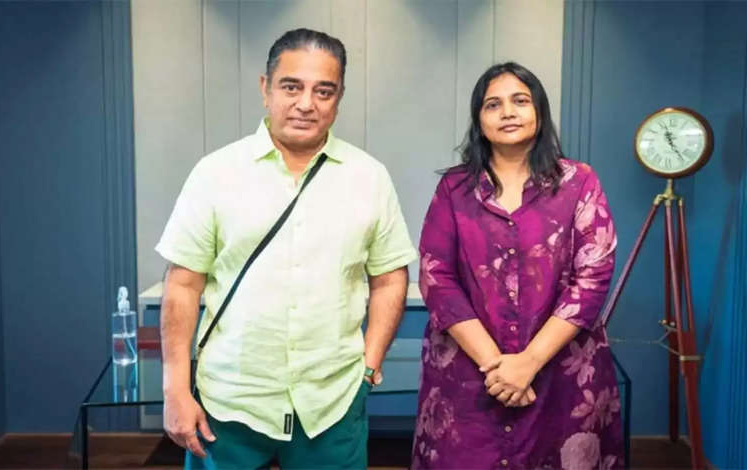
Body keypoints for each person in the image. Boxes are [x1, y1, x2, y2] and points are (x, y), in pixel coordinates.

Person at [156, 28, 417, 470]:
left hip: (333, 402)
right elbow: (182, 285)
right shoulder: (215, 173)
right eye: (291, 87)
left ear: (338, 98)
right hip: (230, 401)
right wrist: (175, 390)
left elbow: (390, 277)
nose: (306, 103)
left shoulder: (369, 177)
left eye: (323, 91)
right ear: (266, 89)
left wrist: (369, 365)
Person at [412, 62, 624, 469]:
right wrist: (497, 365)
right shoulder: (454, 188)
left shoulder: (579, 182)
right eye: (493, 104)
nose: (507, 112)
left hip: (559, 370)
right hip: (470, 372)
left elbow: (593, 276)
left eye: (520, 101)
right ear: (479, 119)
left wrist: (529, 362)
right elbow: (437, 277)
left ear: (539, 111)